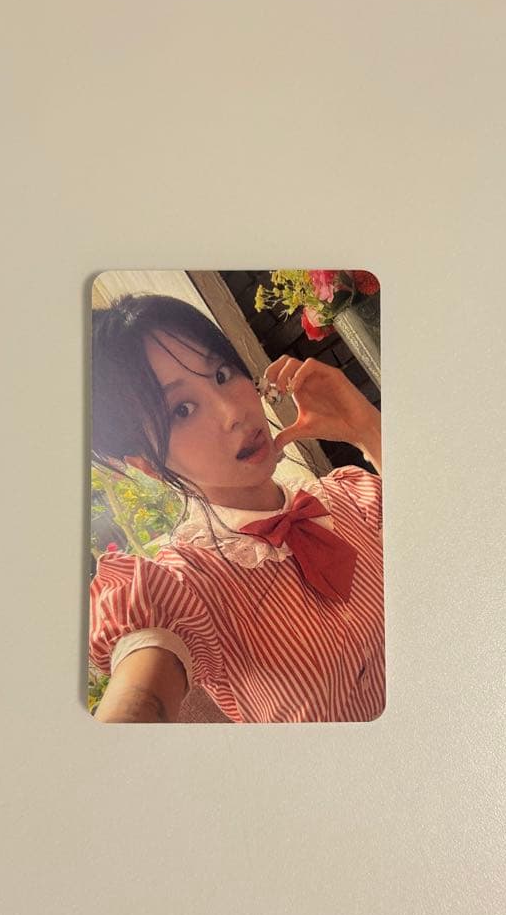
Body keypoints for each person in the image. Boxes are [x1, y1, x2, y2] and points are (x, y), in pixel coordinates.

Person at [89, 293, 384, 723]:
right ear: (146, 465)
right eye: (182, 410)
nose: (233, 413)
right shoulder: (188, 587)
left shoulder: (353, 498)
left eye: (222, 374)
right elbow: (138, 700)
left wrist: (368, 429)